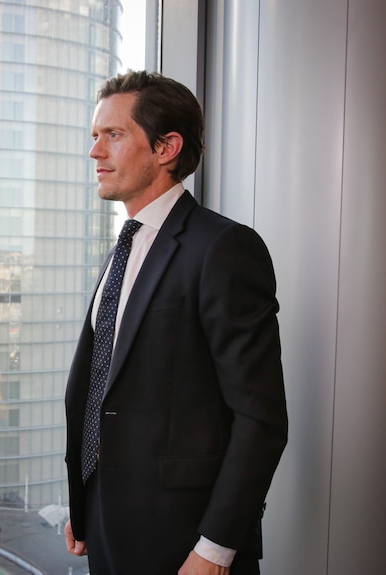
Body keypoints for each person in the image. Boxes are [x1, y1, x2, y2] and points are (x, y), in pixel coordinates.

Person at [63, 70, 288, 575]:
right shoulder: (126, 246)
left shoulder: (224, 248)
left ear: (167, 148)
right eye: (94, 137)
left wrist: (215, 549)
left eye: (113, 135)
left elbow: (260, 418)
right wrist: (85, 505)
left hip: (186, 543)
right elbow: (104, 386)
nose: (95, 152)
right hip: (107, 528)